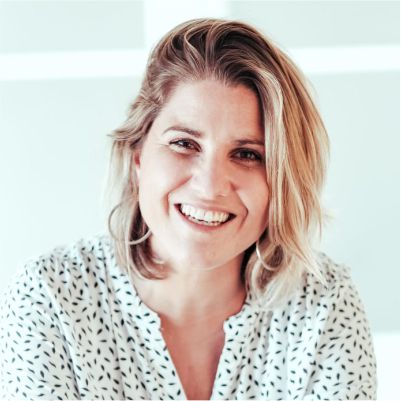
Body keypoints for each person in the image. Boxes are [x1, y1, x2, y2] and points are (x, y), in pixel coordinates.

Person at [0, 18, 377, 400]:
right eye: (184, 144)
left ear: (281, 178)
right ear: (138, 156)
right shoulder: (50, 296)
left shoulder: (324, 306)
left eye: (247, 154)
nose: (210, 186)